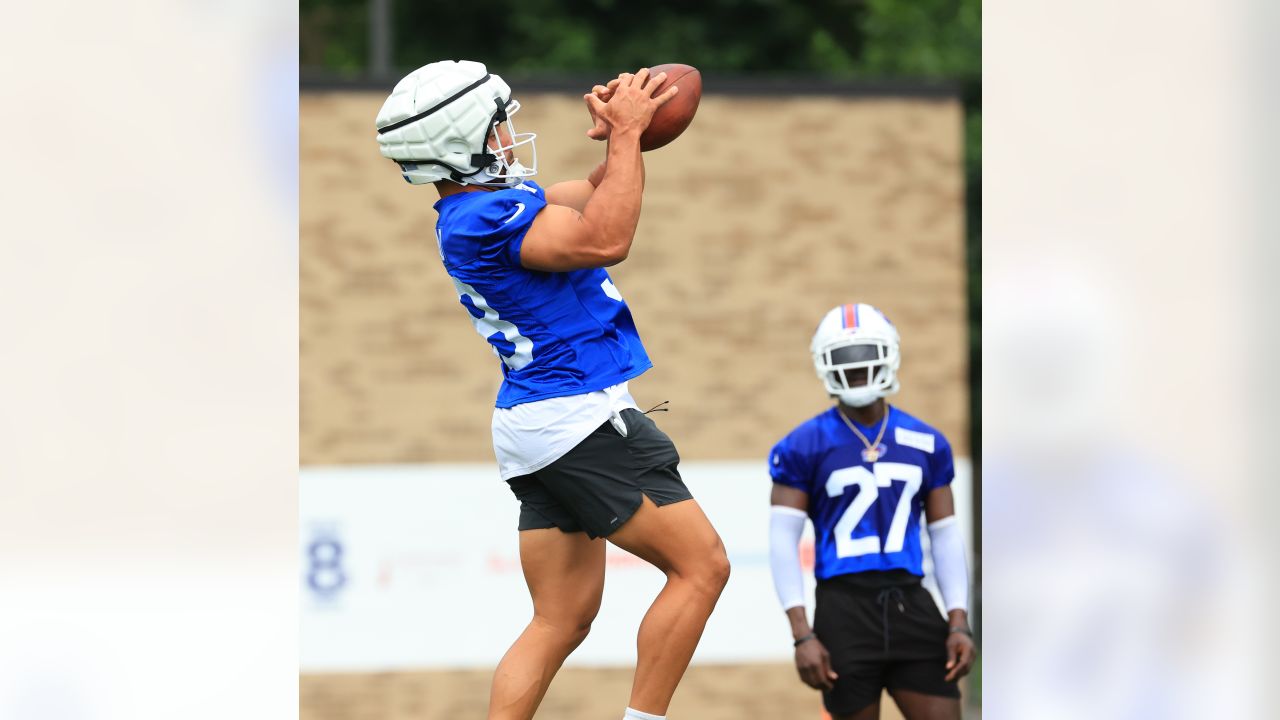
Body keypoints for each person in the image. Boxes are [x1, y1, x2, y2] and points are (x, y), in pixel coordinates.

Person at [374, 60, 730, 720]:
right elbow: (607, 235)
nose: (511, 134)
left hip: (537, 421)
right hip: (577, 413)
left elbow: (591, 195)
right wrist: (626, 135)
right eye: (499, 125)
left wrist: (627, 140)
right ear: (462, 144)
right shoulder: (487, 217)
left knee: (559, 620)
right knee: (702, 567)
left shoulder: (477, 212)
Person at [767, 303, 976, 720]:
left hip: (911, 601)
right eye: (845, 358)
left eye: (867, 355)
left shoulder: (927, 441)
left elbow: (946, 534)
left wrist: (958, 619)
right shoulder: (803, 444)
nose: (858, 368)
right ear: (824, 363)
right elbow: (782, 539)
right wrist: (801, 633)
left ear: (889, 354)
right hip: (842, 609)